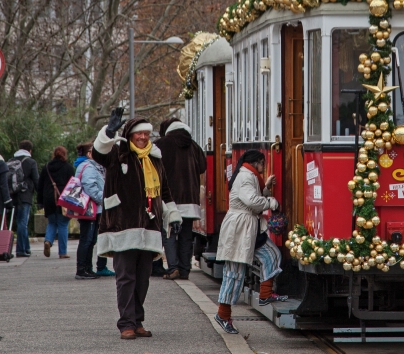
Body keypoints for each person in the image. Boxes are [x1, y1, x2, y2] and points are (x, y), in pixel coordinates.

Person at [92, 108, 182, 340]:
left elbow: (165, 190)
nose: (143, 138)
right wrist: (109, 131)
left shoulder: (155, 157)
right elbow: (98, 153)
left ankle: (138, 320)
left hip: (149, 227)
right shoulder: (118, 153)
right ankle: (126, 324)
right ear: (130, 135)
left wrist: (173, 214)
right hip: (122, 226)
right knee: (125, 277)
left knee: (143, 279)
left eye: (146, 134)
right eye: (138, 134)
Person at [213, 150, 286, 335]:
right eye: (263, 163)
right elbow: (252, 200)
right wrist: (271, 202)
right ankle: (223, 315)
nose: (264, 168)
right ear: (257, 163)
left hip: (249, 229)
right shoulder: (246, 176)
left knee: (271, 254)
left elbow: (254, 194)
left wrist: (266, 188)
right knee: (234, 273)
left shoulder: (250, 175)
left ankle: (265, 294)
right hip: (240, 229)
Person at [155, 117, 208, 280]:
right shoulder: (194, 146)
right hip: (190, 198)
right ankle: (185, 270)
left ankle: (173, 268)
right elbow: (202, 167)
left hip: (170, 197)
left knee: (169, 232)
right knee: (186, 235)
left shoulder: (161, 144)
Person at [75, 143, 114, 277]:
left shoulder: (92, 166)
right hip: (90, 208)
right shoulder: (89, 167)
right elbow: (90, 187)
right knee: (87, 239)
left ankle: (87, 268)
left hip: (93, 208)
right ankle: (82, 269)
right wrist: (102, 200)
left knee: (90, 240)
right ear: (89, 154)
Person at [36, 146, 74, 259]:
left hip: (48, 199)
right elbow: (73, 185)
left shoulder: (46, 167)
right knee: (63, 224)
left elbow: (40, 185)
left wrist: (40, 202)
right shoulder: (68, 168)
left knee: (52, 222)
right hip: (63, 199)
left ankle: (48, 241)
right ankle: (62, 252)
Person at [10, 140, 39, 257]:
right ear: (30, 150)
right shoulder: (31, 162)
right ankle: (21, 250)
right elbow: (36, 180)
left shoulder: (11, 161)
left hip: (13, 195)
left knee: (19, 222)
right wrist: (40, 197)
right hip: (25, 195)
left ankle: (26, 248)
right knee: (23, 223)